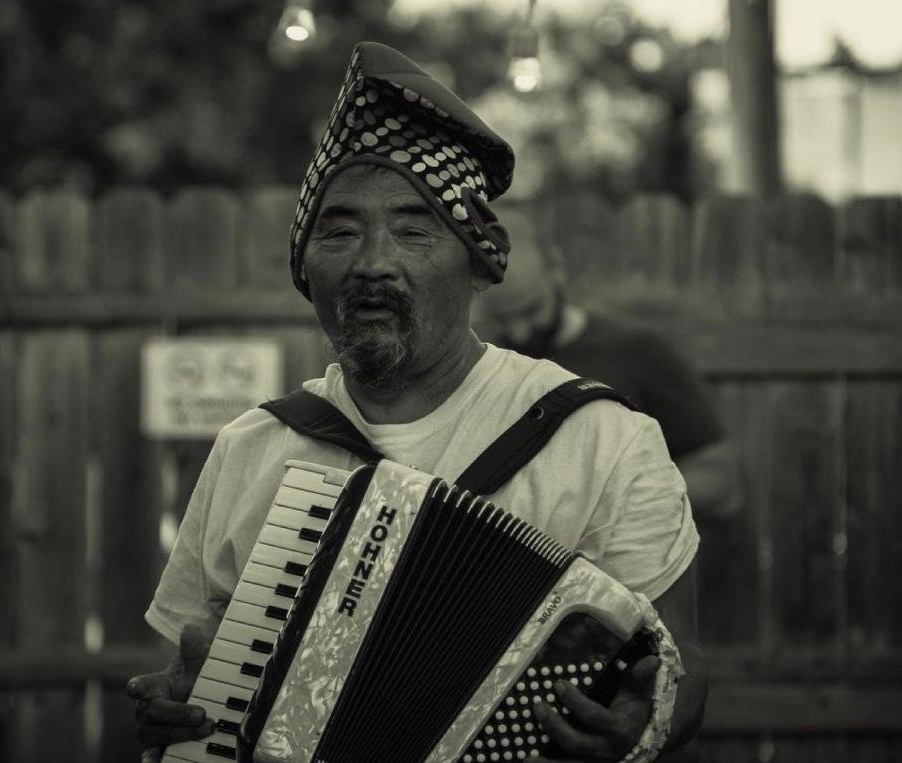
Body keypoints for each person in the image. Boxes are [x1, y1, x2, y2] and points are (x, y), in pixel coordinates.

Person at [128, 42, 707, 763]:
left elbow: (683, 679)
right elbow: (184, 676)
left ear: (478, 260)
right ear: (305, 270)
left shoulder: (602, 440)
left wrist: (640, 728)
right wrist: (172, 723)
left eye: (414, 228)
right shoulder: (252, 447)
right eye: (339, 230)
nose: (374, 261)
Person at [478, 205, 742, 521]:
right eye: (503, 319)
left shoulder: (636, 351)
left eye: (532, 311)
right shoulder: (485, 363)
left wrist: (617, 509)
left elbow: (722, 481)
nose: (519, 332)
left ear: (556, 269)